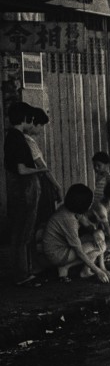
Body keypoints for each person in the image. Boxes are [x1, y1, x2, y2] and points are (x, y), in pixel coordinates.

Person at [5, 102, 48, 285]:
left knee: (18, 231)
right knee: (23, 232)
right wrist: (41, 171)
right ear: (24, 119)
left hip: (16, 188)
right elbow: (22, 170)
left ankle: (21, 272)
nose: (32, 124)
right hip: (24, 188)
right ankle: (22, 274)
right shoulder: (19, 139)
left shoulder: (10, 137)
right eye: (30, 120)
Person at [42, 184, 109, 283]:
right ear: (82, 204)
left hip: (63, 247)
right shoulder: (69, 220)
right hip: (56, 254)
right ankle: (65, 267)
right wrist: (98, 271)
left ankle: (84, 270)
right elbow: (79, 252)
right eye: (90, 202)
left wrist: (94, 232)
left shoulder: (70, 210)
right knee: (100, 246)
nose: (91, 204)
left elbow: (87, 224)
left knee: (100, 236)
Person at [25, 107, 62, 233]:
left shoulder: (29, 140)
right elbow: (42, 167)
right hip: (41, 181)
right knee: (44, 219)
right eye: (41, 126)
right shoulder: (28, 141)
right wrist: (57, 185)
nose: (41, 129)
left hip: (40, 179)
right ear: (34, 123)